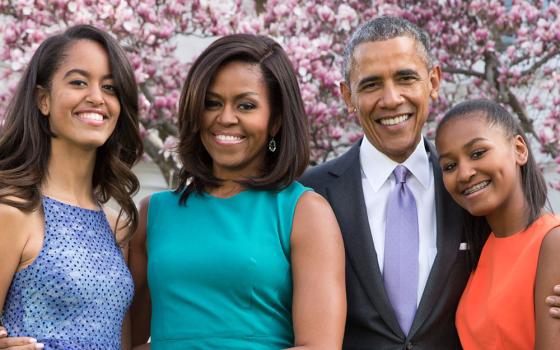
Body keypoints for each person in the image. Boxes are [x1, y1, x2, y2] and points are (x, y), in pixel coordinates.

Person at [300, 16, 560, 349]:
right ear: (348, 96)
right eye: (371, 84)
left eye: (405, 77)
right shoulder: (311, 194)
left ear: (433, 81)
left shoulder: (472, 191)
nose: (392, 98)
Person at [129, 33, 346, 349]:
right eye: (212, 103)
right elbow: (123, 338)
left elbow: (320, 346)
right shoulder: (154, 212)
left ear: (275, 121)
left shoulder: (305, 212)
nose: (225, 118)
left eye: (246, 105)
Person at [0, 25, 143, 349]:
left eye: (110, 87)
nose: (96, 97)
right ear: (43, 99)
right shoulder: (12, 211)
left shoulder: (117, 227)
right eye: (78, 82)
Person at [435, 99, 560, 349]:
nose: (464, 173)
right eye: (450, 166)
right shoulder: (480, 250)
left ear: (519, 150)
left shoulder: (552, 242)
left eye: (478, 153)